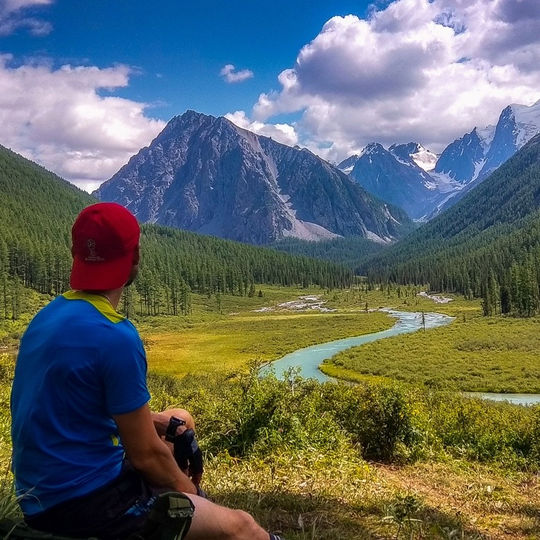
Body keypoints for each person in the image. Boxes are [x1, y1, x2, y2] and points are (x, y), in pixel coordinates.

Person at [10, 202, 282, 540]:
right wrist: (193, 496)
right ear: (135, 256)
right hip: (88, 505)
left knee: (180, 417)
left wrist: (159, 421)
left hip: (39, 494)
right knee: (242, 527)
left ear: (74, 253)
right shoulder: (115, 335)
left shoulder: (48, 316)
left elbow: (74, 403)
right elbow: (145, 455)